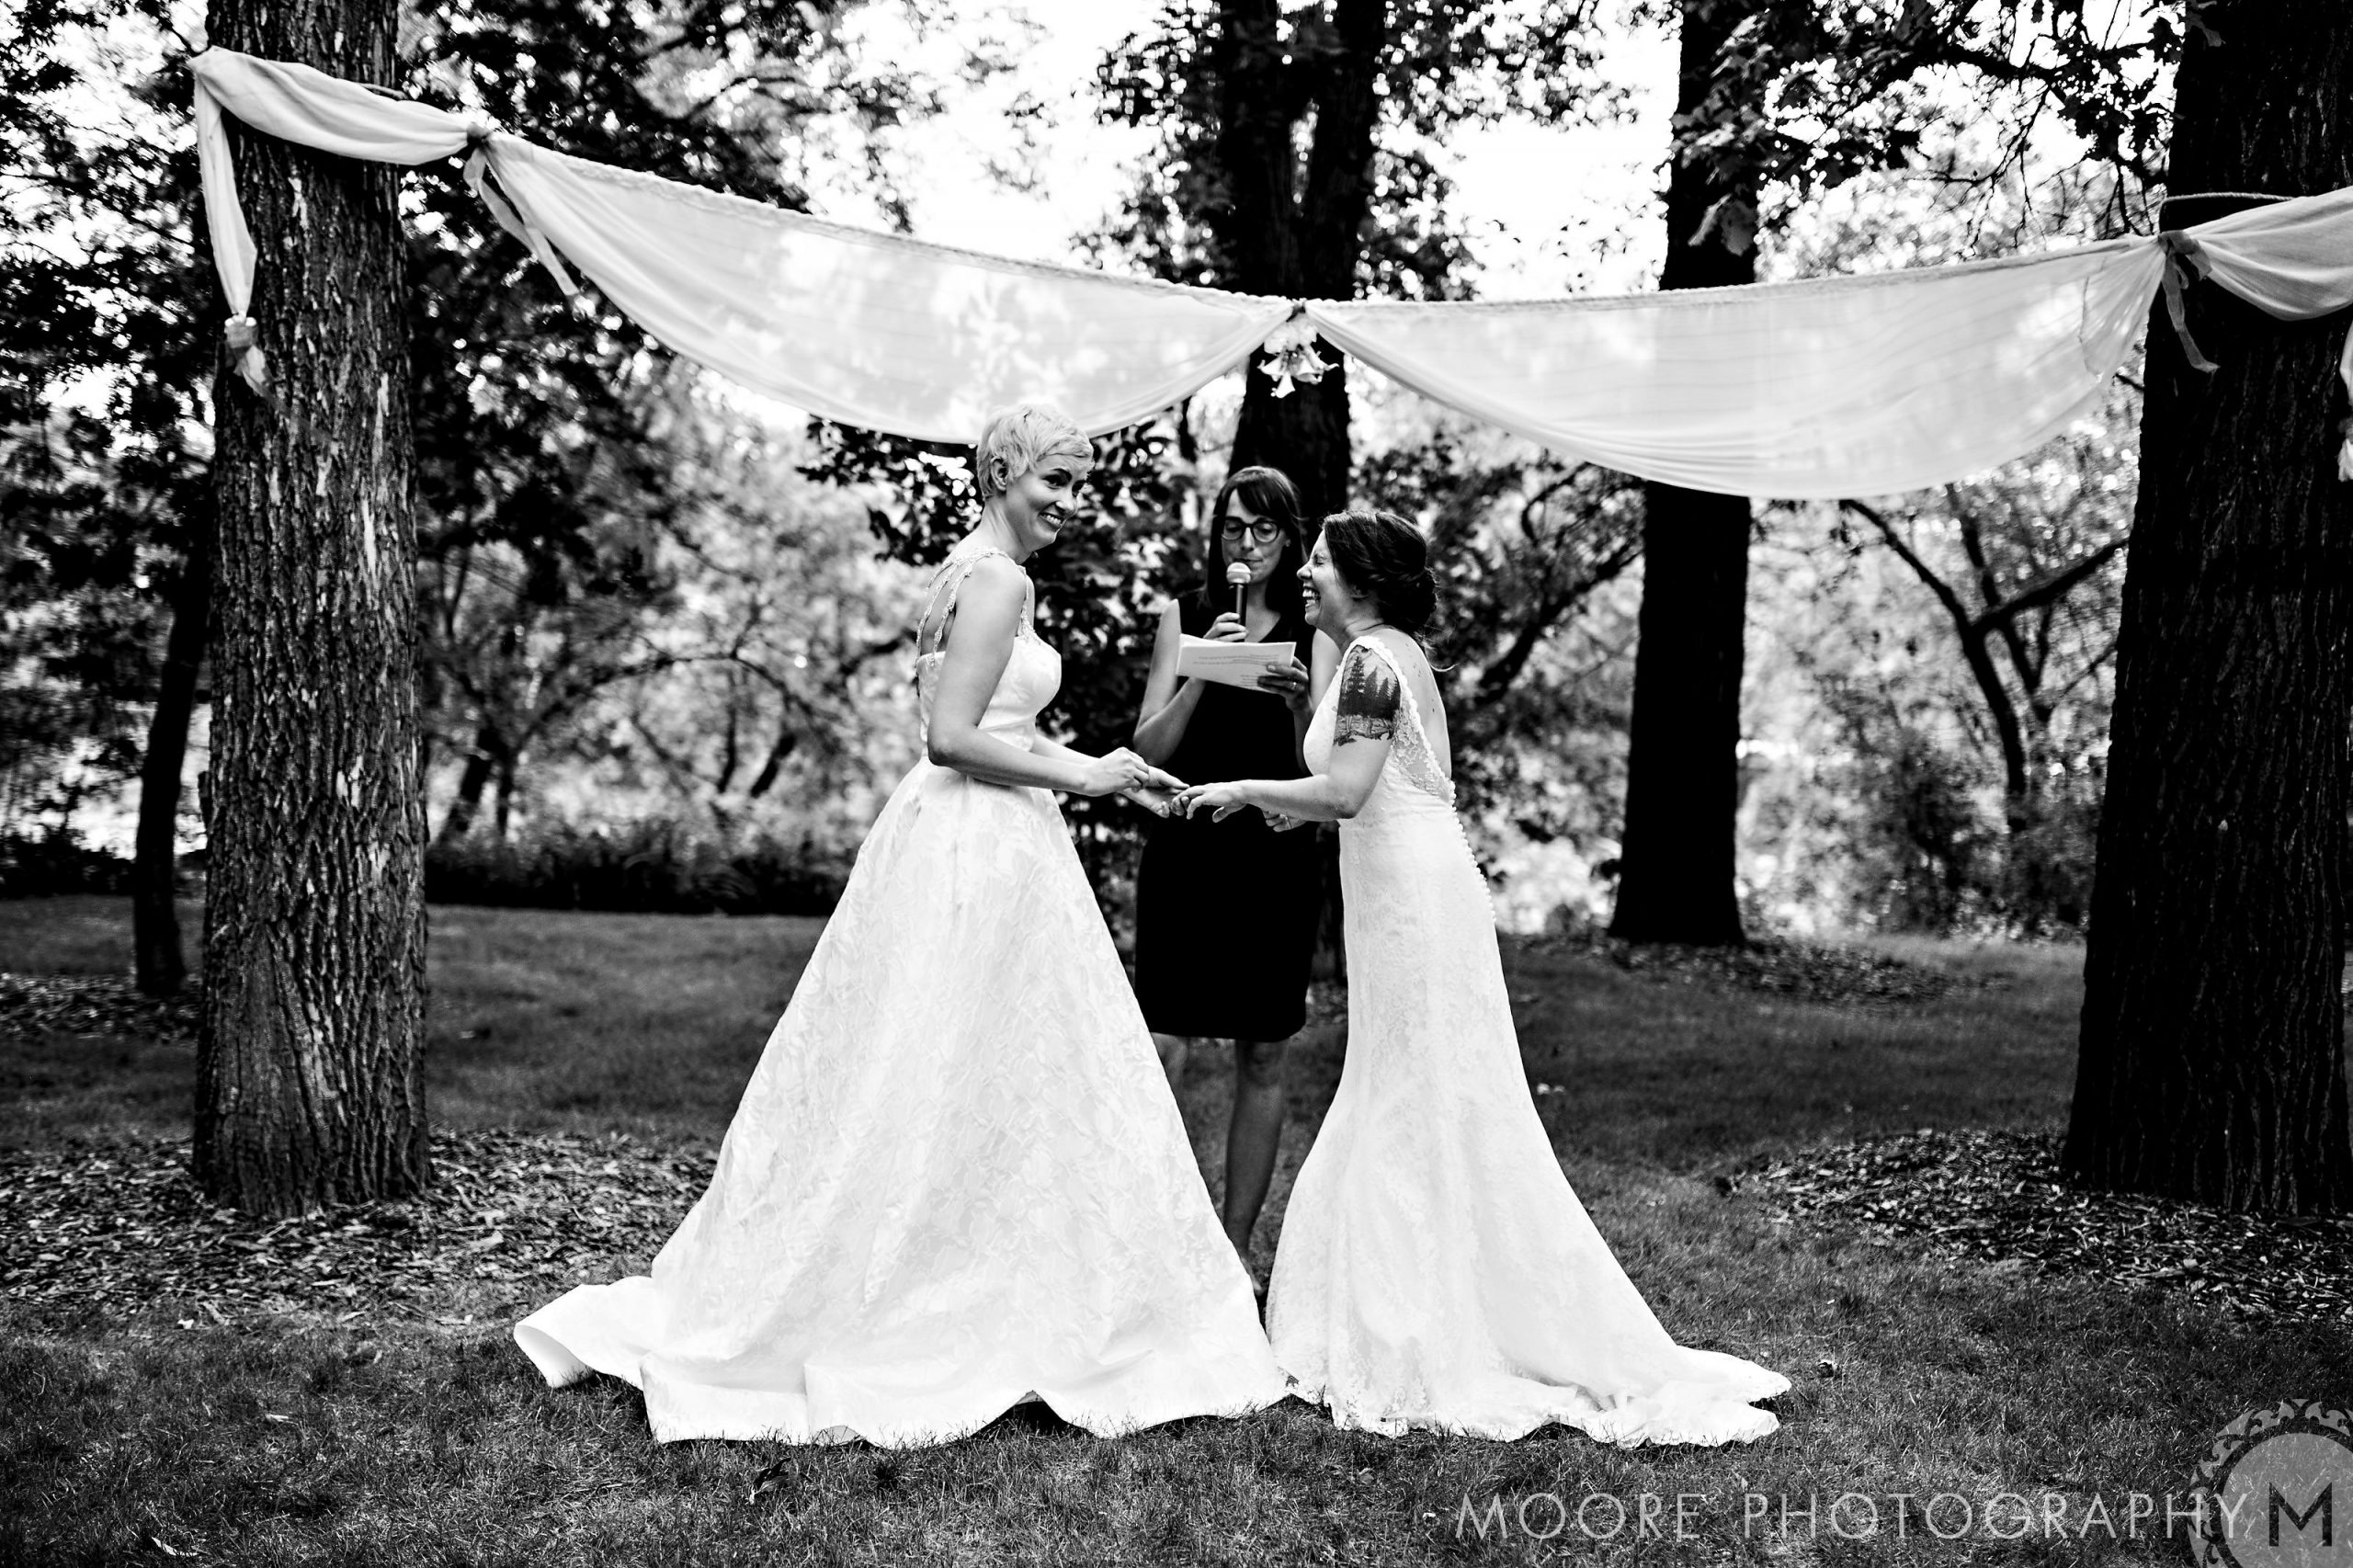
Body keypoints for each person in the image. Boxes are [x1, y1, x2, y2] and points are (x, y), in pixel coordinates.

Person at [514, 405, 1285, 1448]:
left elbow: (975, 727)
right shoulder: (998, 578)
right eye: (1053, 478)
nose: (1067, 498)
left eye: (1076, 482)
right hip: (976, 839)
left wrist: (1098, 770)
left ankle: (960, 1257)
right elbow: (953, 734)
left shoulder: (969, 569)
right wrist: (1084, 770)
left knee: (954, 1063)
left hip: (978, 836)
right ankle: (929, 1284)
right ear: (1004, 469)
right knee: (954, 1060)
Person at [1172, 509, 1788, 1444]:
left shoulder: (1378, 663)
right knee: (1397, 1084)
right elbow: (1350, 787)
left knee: (1418, 1093)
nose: (1305, 570)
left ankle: (1422, 1327)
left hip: (1416, 902)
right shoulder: (1362, 659)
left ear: (1365, 582)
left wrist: (1245, 789)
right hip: (1390, 888)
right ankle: (1408, 1304)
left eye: (1322, 561)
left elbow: (1346, 792)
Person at [1130, 465, 1332, 1272]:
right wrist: (1199, 671)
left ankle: (1234, 1249)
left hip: (1273, 863)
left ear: (1288, 539)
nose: (1244, 545)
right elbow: (1147, 750)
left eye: (1263, 530)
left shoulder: (1319, 637)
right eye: (1232, 528)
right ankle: (1150, 1235)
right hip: (1187, 854)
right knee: (1166, 1043)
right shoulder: (1184, 615)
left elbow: (1326, 766)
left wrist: (1293, 703)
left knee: (1263, 1051)